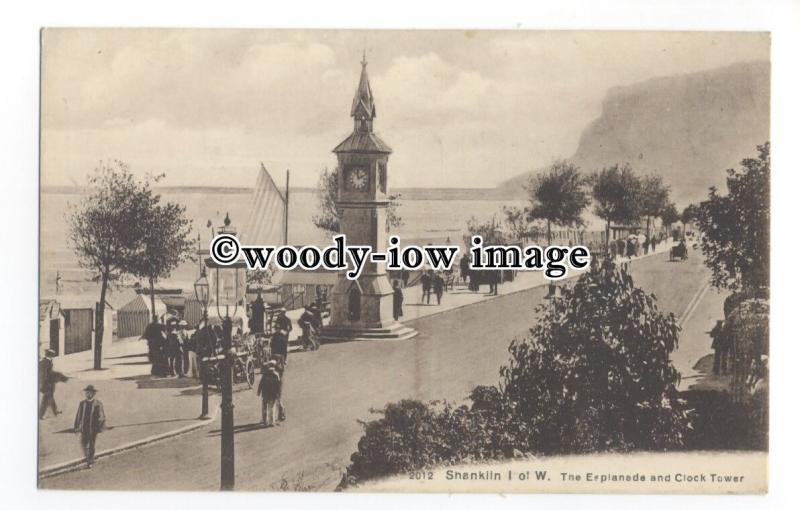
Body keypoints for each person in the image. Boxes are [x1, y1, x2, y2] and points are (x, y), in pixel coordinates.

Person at [73, 385, 106, 468]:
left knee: (91, 444)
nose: (88, 394)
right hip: (84, 428)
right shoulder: (82, 403)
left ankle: (90, 460)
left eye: (90, 393)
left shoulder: (98, 404)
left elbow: (102, 416)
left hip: (93, 429)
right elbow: (78, 415)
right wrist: (76, 427)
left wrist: (100, 427)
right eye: (87, 392)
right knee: (83, 443)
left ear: (93, 394)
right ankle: (88, 457)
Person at [39, 349, 67, 419]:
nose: (53, 357)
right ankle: (40, 415)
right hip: (47, 385)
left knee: (50, 398)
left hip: (48, 384)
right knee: (45, 400)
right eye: (52, 355)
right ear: (51, 355)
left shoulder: (45, 361)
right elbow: (44, 375)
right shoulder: (46, 362)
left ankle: (55, 410)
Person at [257, 360, 282, 427]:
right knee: (272, 407)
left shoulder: (265, 374)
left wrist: (259, 391)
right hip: (273, 394)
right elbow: (278, 386)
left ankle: (264, 421)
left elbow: (261, 384)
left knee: (264, 407)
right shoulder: (276, 375)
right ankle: (271, 421)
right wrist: (278, 394)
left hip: (265, 393)